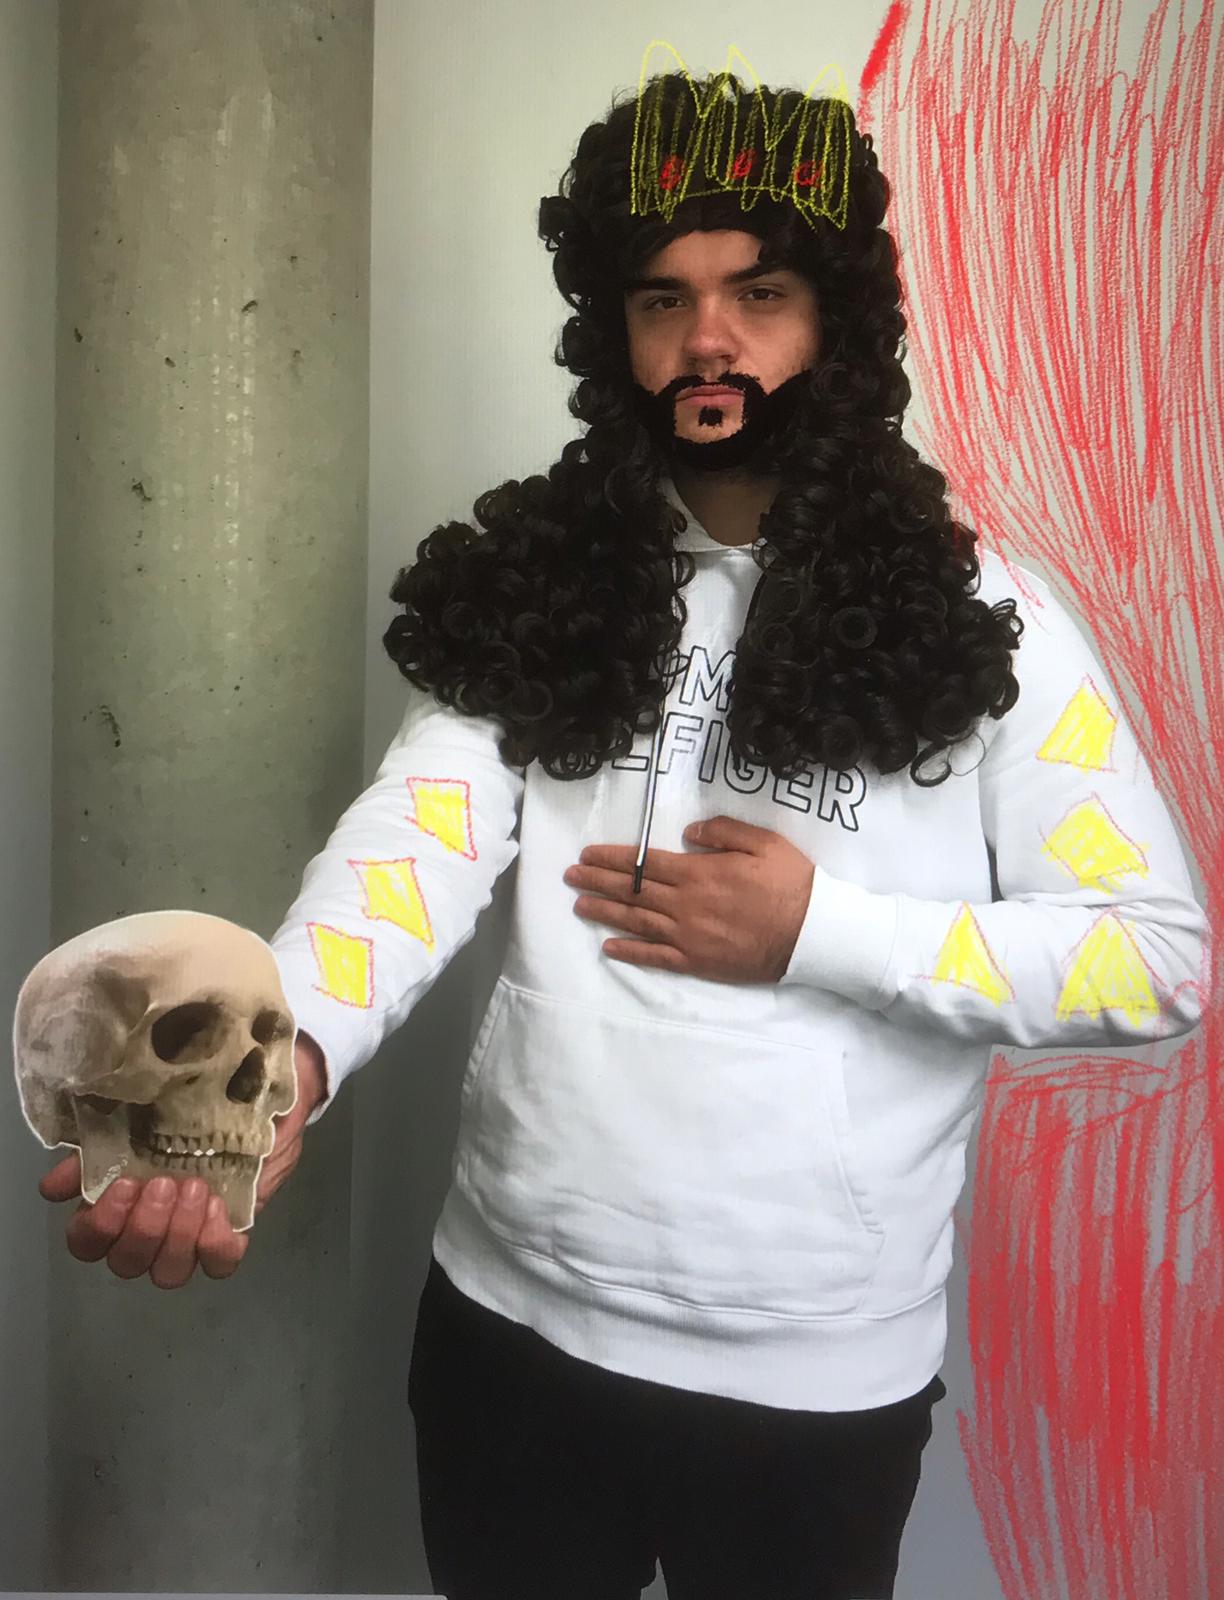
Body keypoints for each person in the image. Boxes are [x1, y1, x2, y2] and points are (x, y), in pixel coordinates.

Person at [42, 67, 1208, 1600]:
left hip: (813, 1385)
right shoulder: (548, 580)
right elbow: (418, 844)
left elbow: (1155, 959)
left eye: (759, 292)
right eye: (664, 299)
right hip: (505, 1331)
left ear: (838, 319)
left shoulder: (992, 619)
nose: (709, 340)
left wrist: (820, 933)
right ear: (616, 330)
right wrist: (283, 1047)